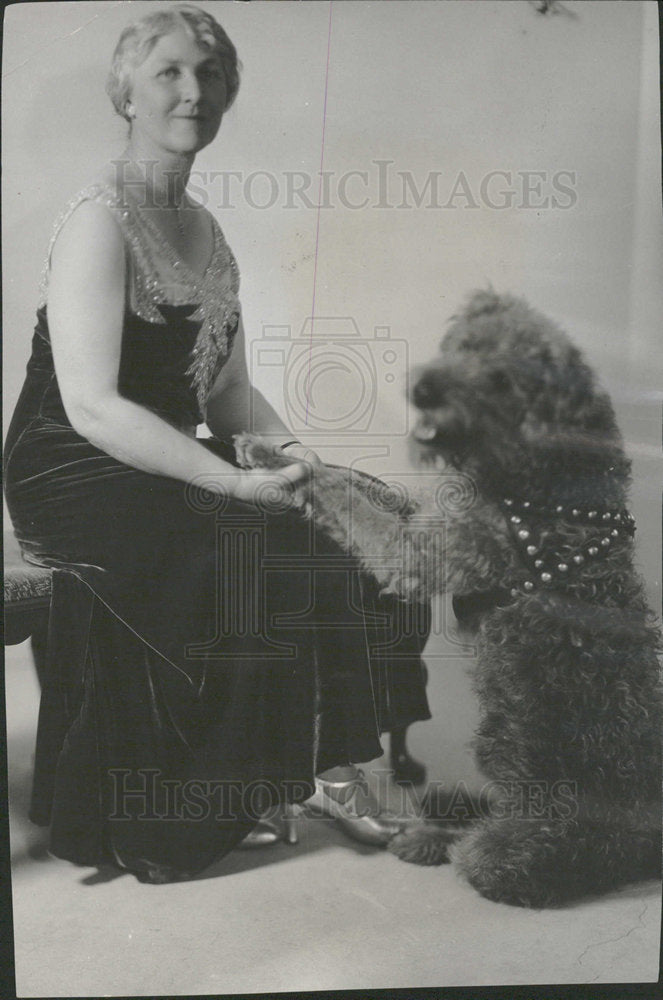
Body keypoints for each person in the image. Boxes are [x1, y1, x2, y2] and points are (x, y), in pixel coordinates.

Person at [4, 4, 430, 883]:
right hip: (71, 464)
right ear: (125, 90)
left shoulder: (210, 233)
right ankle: (256, 786)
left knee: (330, 513)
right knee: (251, 535)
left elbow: (229, 396)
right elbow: (89, 406)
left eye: (209, 75)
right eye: (168, 72)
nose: (192, 92)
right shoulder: (98, 219)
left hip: (157, 454)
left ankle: (325, 766)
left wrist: (291, 452)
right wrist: (231, 486)